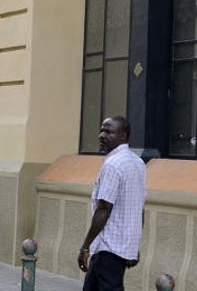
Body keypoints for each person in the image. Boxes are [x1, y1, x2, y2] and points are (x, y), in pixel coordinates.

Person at [78, 116, 147, 291]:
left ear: (123, 136)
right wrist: (133, 245)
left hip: (108, 248)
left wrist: (85, 247)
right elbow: (139, 208)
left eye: (109, 131)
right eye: (101, 130)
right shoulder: (138, 162)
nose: (102, 135)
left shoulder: (113, 165)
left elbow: (103, 209)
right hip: (120, 246)